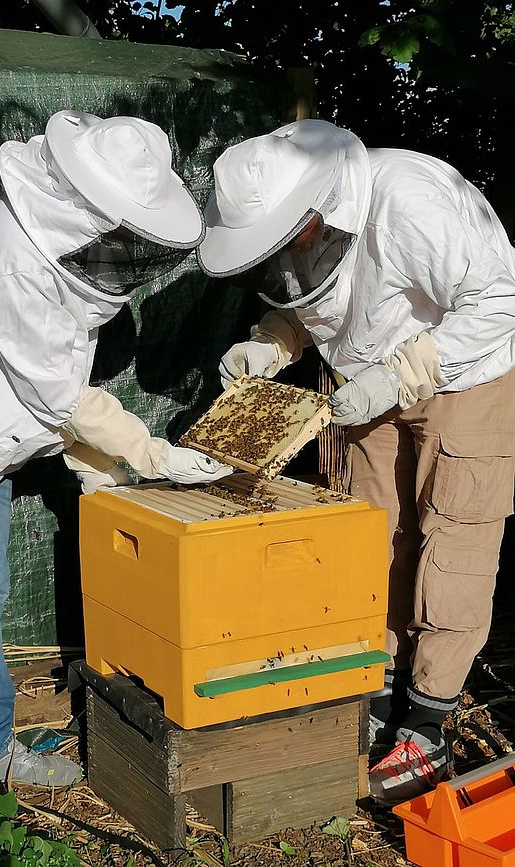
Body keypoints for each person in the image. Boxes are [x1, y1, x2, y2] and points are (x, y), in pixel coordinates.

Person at [0, 110, 231, 803]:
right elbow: (58, 392)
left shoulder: (62, 263)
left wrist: (101, 472)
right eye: (117, 229)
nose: (122, 248)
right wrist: (144, 452)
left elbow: (53, 385)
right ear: (80, 205)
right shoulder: (11, 253)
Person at [195, 118, 515, 805]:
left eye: (293, 235)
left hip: (467, 372)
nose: (288, 250)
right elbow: (311, 298)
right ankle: (375, 684)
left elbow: (501, 298)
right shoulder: (303, 226)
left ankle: (428, 719)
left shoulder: (412, 202)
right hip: (365, 380)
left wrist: (410, 371)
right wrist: (273, 344)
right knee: (372, 534)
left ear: (323, 203)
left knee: (452, 538)